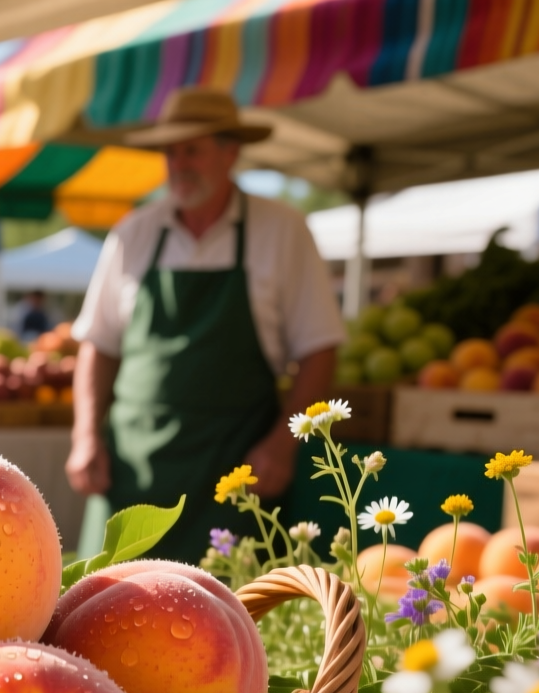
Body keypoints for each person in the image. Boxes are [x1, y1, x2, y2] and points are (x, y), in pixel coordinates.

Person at [64, 87, 343, 562]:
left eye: (192, 149)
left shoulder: (281, 231)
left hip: (234, 467)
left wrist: (282, 445)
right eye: (170, 152)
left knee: (231, 620)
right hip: (134, 467)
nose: (179, 163)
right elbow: (98, 345)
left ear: (231, 151)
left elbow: (320, 347)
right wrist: (85, 435)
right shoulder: (133, 233)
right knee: (109, 613)